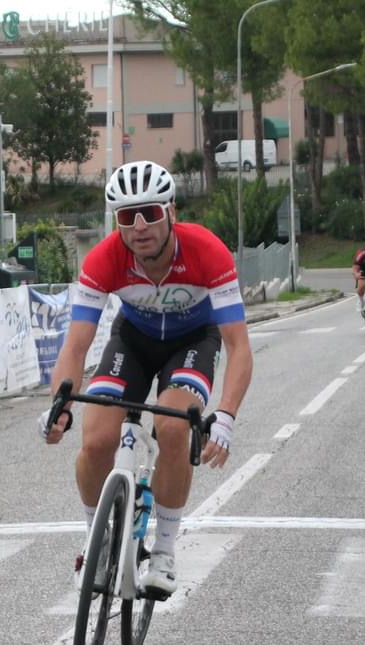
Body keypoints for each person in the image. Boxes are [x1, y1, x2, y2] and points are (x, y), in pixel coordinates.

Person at [39, 160, 253, 597]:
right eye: (126, 216)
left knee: (173, 427)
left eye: (150, 213)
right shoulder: (104, 259)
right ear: (115, 222)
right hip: (133, 342)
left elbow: (238, 346)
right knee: (96, 440)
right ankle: (96, 542)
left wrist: (227, 416)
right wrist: (60, 405)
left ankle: (165, 551)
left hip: (193, 340)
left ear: (171, 211)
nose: (139, 227)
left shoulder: (207, 251)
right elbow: (76, 347)